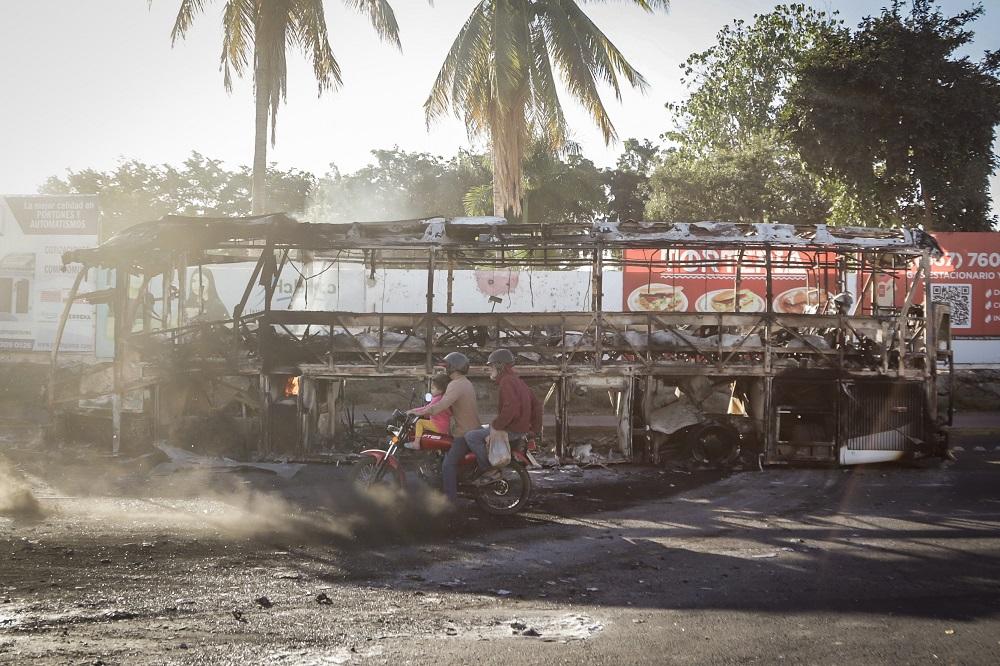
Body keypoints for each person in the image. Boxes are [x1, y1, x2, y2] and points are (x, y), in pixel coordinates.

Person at [406, 352, 482, 502]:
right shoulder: (465, 382)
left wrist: (416, 411)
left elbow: (440, 406)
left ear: (453, 367)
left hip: (464, 433)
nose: (444, 370)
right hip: (470, 429)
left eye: (446, 367)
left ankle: (450, 501)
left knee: (448, 464)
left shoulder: (456, 385)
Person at [463, 348, 543, 486]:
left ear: (499, 366)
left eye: (491, 366)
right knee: (480, 430)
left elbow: (510, 408)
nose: (490, 370)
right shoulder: (518, 381)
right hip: (519, 429)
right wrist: (534, 430)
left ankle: (489, 470)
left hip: (511, 430)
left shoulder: (507, 381)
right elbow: (537, 406)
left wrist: (496, 425)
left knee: (471, 436)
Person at [407, 373, 452, 448]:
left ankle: (416, 443)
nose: (431, 391)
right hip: (443, 426)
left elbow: (426, 409)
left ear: (441, 390)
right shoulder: (442, 398)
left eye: (433, 388)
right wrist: (413, 410)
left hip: (438, 426)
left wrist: (412, 411)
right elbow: (427, 407)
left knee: (420, 422)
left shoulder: (438, 399)